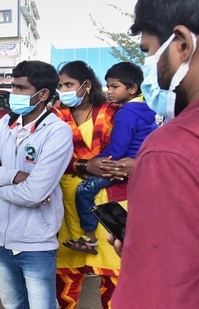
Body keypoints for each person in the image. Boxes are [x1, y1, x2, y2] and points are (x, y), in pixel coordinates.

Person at [110, 1, 199, 307]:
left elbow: (156, 294)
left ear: (183, 44)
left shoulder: (170, 151)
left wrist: (144, 257)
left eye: (148, 49)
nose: (149, 63)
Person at [0, 60, 73, 308]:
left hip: (35, 244)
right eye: (12, 86)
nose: (12, 94)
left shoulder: (57, 132)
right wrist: (13, 176)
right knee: (14, 306)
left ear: (43, 94)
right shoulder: (6, 124)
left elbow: (33, 193)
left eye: (20, 88)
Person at [51, 60, 128, 309]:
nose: (63, 89)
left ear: (86, 85)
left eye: (69, 84)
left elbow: (127, 152)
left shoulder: (113, 111)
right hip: (66, 205)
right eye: (60, 85)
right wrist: (83, 166)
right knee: (66, 275)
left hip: (107, 199)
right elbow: (47, 158)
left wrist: (112, 167)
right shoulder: (55, 115)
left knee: (114, 275)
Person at [63, 61, 157, 255]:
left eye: (115, 87)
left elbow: (118, 148)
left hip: (118, 166)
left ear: (132, 88)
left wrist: (94, 164)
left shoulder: (124, 114)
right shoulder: (146, 109)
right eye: (108, 86)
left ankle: (90, 237)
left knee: (84, 190)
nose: (110, 91)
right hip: (137, 167)